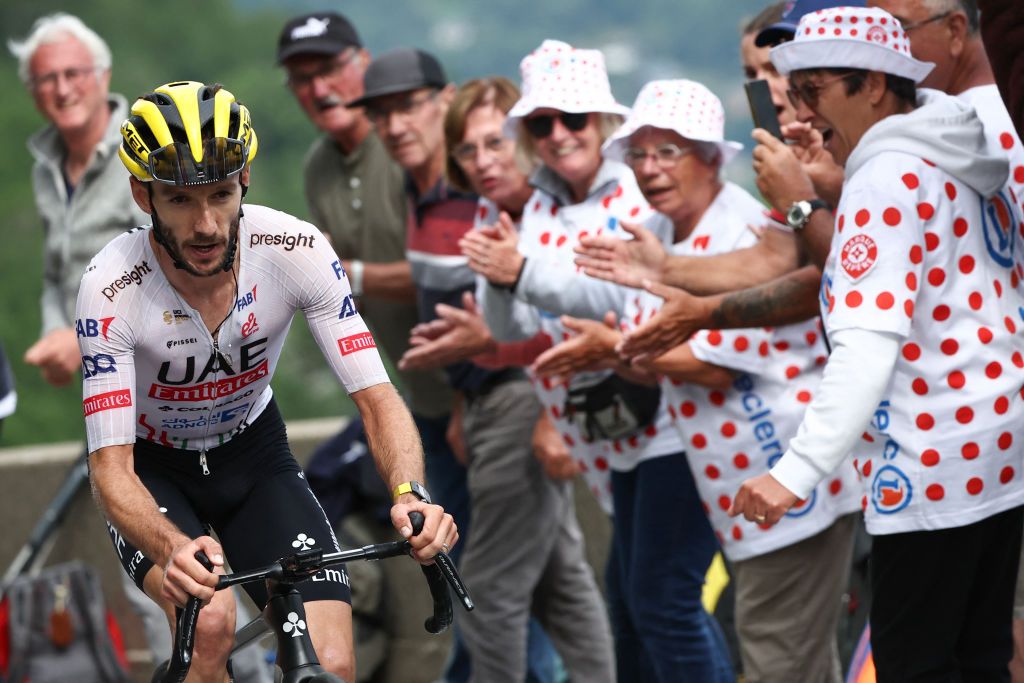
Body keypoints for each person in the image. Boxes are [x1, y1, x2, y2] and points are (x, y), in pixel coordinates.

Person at [78, 80, 456, 683]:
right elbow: (110, 467)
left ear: (245, 178)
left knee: (330, 663)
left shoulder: (295, 250)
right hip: (153, 470)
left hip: (254, 457)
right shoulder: (111, 286)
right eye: (178, 200)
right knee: (210, 624)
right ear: (141, 195)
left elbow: (378, 398)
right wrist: (167, 545)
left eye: (221, 195)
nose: (205, 225)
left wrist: (411, 492)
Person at [726, 7, 1024, 680]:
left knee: (914, 664)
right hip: (1000, 450)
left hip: (928, 466)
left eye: (813, 90)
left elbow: (866, 346)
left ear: (875, 86)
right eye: (792, 92)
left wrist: (793, 473)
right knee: (981, 655)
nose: (800, 115)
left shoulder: (885, 180)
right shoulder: (960, 151)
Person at [532, 77, 859, 683]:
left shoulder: (744, 229)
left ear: (712, 157)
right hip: (735, 480)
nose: (650, 169)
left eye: (668, 152)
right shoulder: (655, 230)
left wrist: (616, 351)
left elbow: (713, 359)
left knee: (768, 650)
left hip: (781, 469)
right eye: (638, 154)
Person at [8, 15, 272, 682]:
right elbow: (57, 269)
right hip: (112, 387)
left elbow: (179, 261)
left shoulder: (156, 153)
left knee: (192, 589)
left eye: (74, 74)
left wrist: (83, 334)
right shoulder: (50, 168)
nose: (61, 88)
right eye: (46, 78)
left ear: (103, 80)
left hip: (182, 396)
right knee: (168, 585)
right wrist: (57, 329)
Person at [467, 42, 733, 683]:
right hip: (610, 435)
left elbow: (624, 295)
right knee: (636, 608)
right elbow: (509, 331)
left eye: (574, 119)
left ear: (603, 123)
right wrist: (502, 278)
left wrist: (523, 270)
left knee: (661, 605)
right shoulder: (537, 208)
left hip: (672, 420)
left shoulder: (640, 194)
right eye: (541, 123)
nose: (559, 136)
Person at [348, 49, 566, 683]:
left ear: (443, 102)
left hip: (520, 399)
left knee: (499, 589)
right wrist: (459, 404)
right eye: (382, 114)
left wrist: (547, 405)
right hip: (454, 409)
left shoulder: (481, 191)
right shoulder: (421, 190)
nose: (395, 125)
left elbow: (561, 299)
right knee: (549, 583)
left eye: (410, 107)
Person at [399, 76, 615, 683]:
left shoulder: (558, 213)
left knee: (490, 587)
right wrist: (473, 389)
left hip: (532, 406)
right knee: (561, 585)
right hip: (502, 401)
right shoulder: (501, 214)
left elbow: (592, 320)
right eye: (468, 151)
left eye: (496, 143)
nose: (485, 162)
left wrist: (554, 413)